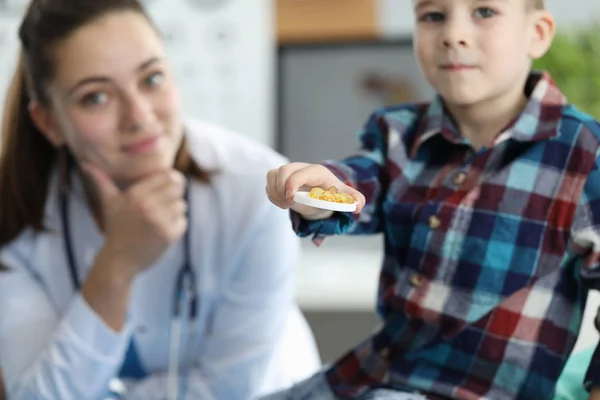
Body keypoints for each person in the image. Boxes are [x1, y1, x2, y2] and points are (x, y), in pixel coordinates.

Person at [263, 0, 600, 398]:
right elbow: (357, 188)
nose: (452, 34)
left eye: (484, 12)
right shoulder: (397, 131)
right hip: (364, 376)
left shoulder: (585, 155)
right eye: (433, 16)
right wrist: (318, 194)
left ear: (538, 33)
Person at [0, 0, 321, 399]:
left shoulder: (256, 193)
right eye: (96, 97)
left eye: (151, 79)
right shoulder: (16, 212)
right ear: (49, 122)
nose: (139, 116)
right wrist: (116, 266)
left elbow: (230, 390)